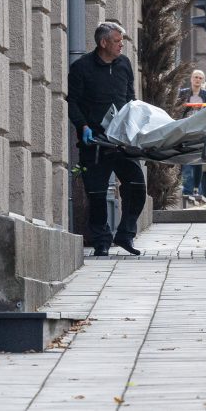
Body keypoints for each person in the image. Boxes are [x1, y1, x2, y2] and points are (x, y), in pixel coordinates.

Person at [67, 21, 145, 257]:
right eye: (117, 41)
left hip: (122, 141)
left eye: (122, 41)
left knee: (137, 187)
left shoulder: (124, 64)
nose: (122, 45)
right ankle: (101, 241)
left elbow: (130, 97)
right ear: (103, 43)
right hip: (95, 143)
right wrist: (83, 126)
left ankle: (125, 235)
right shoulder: (82, 68)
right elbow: (72, 102)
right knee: (97, 195)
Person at [178, 70, 206, 200]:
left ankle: (195, 189)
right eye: (195, 77)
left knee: (199, 160)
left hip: (200, 131)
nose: (197, 80)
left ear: (203, 80)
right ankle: (186, 189)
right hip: (186, 129)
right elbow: (178, 110)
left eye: (200, 78)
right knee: (185, 159)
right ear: (191, 79)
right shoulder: (183, 93)